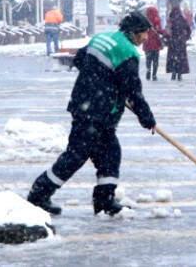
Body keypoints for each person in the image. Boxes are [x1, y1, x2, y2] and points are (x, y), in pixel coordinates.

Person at [27, 12, 157, 216]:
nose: (145, 38)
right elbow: (133, 91)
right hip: (99, 111)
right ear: (133, 33)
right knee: (76, 156)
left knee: (110, 154)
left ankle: (104, 201)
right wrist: (147, 118)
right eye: (143, 34)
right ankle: (39, 194)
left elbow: (79, 59)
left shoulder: (102, 38)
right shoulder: (127, 53)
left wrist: (98, 78)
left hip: (84, 103)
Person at [166, 5, 191, 81]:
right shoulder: (182, 19)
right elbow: (189, 29)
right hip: (181, 41)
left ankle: (173, 73)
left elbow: (167, 30)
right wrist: (185, 37)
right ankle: (179, 74)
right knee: (180, 57)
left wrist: (168, 38)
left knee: (173, 57)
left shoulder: (171, 19)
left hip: (173, 41)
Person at [143, 6, 165, 81]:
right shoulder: (157, 19)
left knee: (148, 59)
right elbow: (159, 30)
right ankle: (154, 75)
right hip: (155, 43)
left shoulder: (144, 20)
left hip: (147, 43)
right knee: (155, 60)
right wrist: (165, 33)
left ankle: (148, 70)